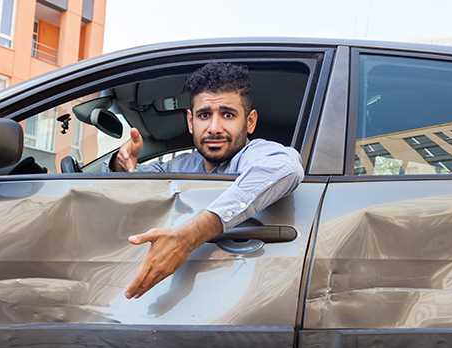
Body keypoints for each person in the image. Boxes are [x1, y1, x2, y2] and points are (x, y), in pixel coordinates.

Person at [104, 62, 304, 300]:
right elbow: (142, 174)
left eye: (228, 115)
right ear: (191, 122)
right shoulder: (186, 165)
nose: (214, 128)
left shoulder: (256, 154)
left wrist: (188, 237)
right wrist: (120, 162)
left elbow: (286, 167)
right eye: (204, 115)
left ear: (250, 122)